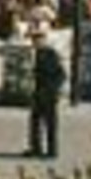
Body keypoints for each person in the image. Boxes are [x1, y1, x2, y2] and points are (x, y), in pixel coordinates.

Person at [27, 25, 67, 159]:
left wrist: (54, 89)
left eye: (37, 39)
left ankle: (52, 150)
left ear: (43, 39)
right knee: (35, 121)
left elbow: (61, 74)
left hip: (49, 93)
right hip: (38, 92)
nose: (34, 42)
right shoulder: (36, 53)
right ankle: (35, 148)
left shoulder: (50, 53)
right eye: (33, 39)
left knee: (50, 123)